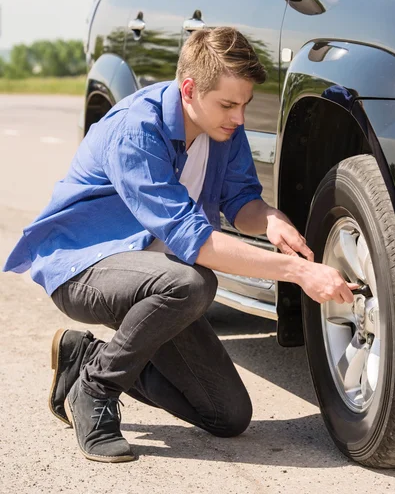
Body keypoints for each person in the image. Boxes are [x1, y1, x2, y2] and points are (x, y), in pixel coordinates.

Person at [3, 27, 357, 463]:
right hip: (83, 269)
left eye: (244, 104)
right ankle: (96, 391)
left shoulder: (223, 128)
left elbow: (240, 199)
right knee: (193, 282)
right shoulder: (136, 129)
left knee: (227, 415)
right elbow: (196, 242)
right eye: (228, 104)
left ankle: (88, 358)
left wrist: (268, 220)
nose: (239, 117)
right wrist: (300, 272)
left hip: (160, 281)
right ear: (189, 89)